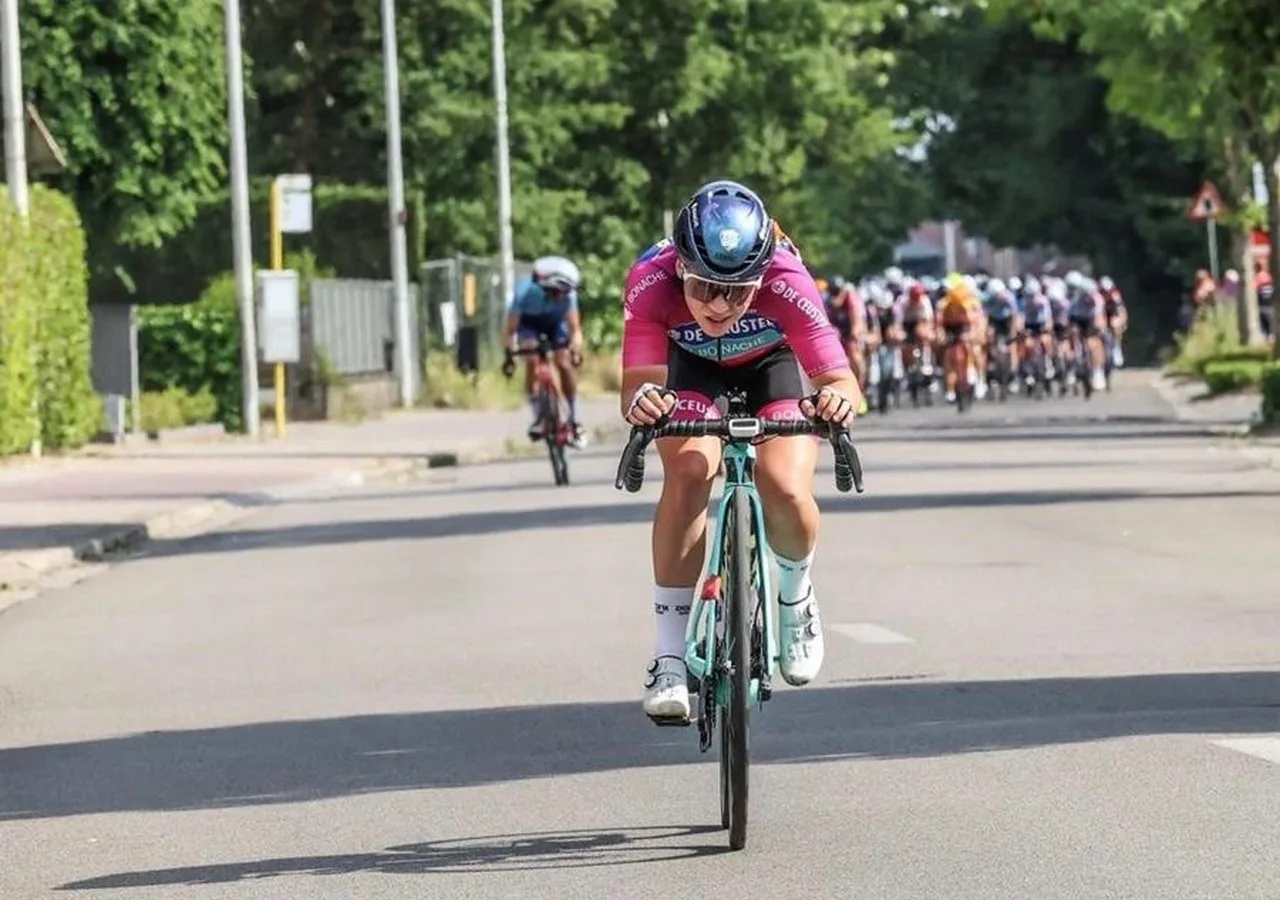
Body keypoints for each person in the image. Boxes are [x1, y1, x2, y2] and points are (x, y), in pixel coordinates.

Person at [620, 179, 862, 724]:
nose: (721, 304)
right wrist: (645, 403)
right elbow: (639, 382)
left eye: (739, 290)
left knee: (785, 484)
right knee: (688, 469)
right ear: (680, 267)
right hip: (690, 370)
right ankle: (668, 658)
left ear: (763, 277)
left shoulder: (788, 279)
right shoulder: (650, 282)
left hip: (770, 364)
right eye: (705, 286)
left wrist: (836, 404)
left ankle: (795, 597)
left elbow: (842, 381)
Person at [502, 255, 586, 446]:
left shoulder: (569, 296)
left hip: (555, 326)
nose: (560, 297)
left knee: (564, 363)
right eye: (554, 292)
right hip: (528, 326)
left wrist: (575, 349)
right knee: (531, 359)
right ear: (544, 287)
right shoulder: (523, 293)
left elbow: (575, 330)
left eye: (564, 293)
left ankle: (574, 419)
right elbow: (510, 330)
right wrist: (509, 355)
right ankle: (540, 415)